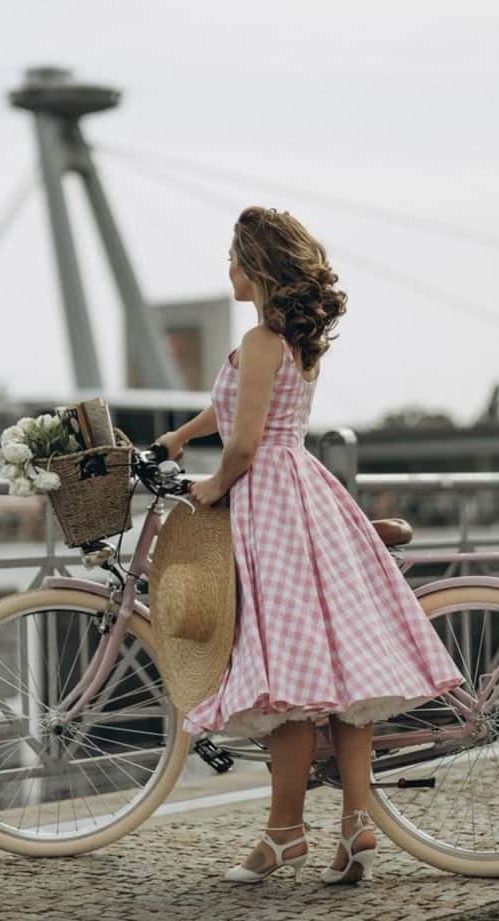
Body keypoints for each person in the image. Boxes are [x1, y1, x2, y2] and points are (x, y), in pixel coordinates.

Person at [155, 205, 465, 885]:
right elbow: (238, 404)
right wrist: (182, 433)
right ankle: (355, 827)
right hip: (308, 494)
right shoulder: (292, 342)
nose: (228, 268)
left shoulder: (261, 338)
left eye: (235, 258)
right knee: (341, 682)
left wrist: (209, 484)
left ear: (259, 267)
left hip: (270, 503)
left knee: (287, 681)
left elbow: (243, 440)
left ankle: (283, 834)